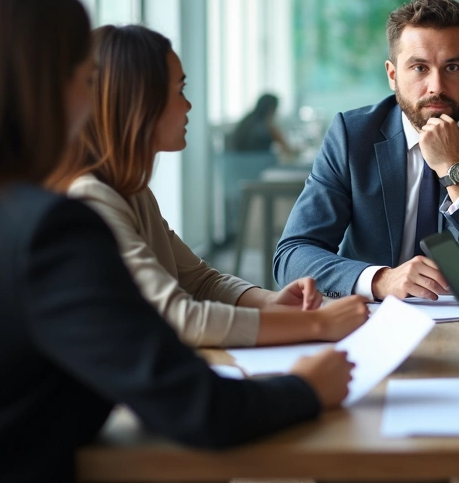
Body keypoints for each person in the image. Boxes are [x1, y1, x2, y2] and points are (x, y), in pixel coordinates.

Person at [0, 0, 352, 482]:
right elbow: (193, 405)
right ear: (46, 89)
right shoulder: (48, 231)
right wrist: (306, 386)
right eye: (85, 81)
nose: (92, 104)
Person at [51, 25, 368, 348]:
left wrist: (266, 301)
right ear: (139, 101)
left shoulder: (132, 191)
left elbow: (200, 281)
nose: (188, 106)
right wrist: (315, 324)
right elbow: (181, 317)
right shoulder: (91, 198)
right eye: (179, 91)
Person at [275, 0, 459, 300]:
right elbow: (292, 256)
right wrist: (379, 280)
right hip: (369, 320)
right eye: (419, 68)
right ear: (393, 74)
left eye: (452, 67)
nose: (436, 86)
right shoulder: (352, 137)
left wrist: (454, 168)